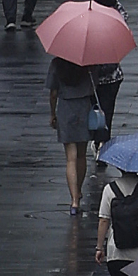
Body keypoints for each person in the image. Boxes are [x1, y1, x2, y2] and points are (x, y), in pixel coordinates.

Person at [46, 55, 93, 215]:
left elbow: (53, 93)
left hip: (65, 108)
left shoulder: (57, 63)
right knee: (81, 156)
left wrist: (52, 113)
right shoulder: (88, 62)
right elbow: (95, 85)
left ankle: (73, 201)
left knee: (70, 158)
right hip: (84, 107)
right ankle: (78, 191)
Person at [89, 0, 126, 147]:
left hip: (97, 76)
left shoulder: (92, 18)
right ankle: (101, 141)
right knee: (105, 111)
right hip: (111, 76)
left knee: (96, 109)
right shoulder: (119, 17)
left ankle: (99, 140)